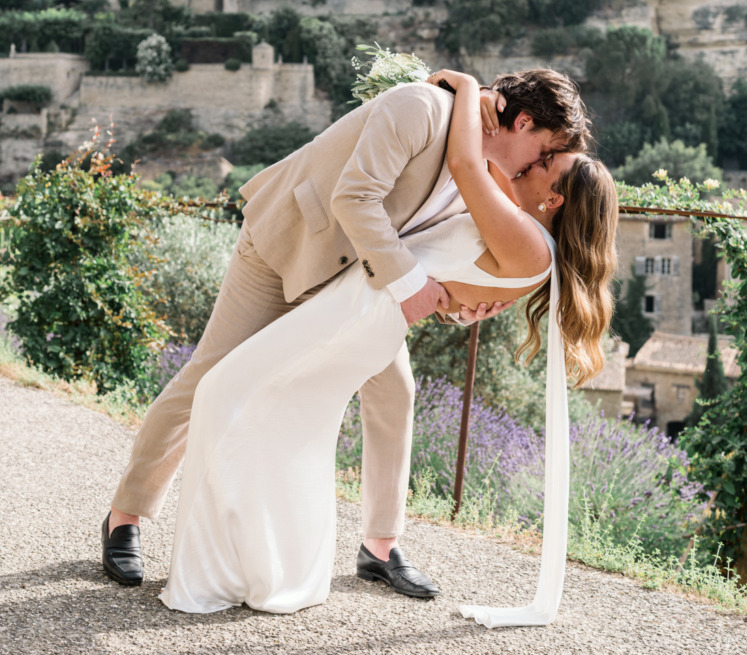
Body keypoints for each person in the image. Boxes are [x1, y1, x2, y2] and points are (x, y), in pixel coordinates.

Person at [102, 69, 592, 599]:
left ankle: (380, 547)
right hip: (282, 247)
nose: (538, 168)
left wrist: (462, 308)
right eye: (545, 152)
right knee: (207, 376)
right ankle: (125, 516)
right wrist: (410, 289)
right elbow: (355, 198)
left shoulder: (484, 171)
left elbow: (442, 252)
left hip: (353, 285)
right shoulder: (421, 108)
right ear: (522, 122)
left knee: (395, 391)